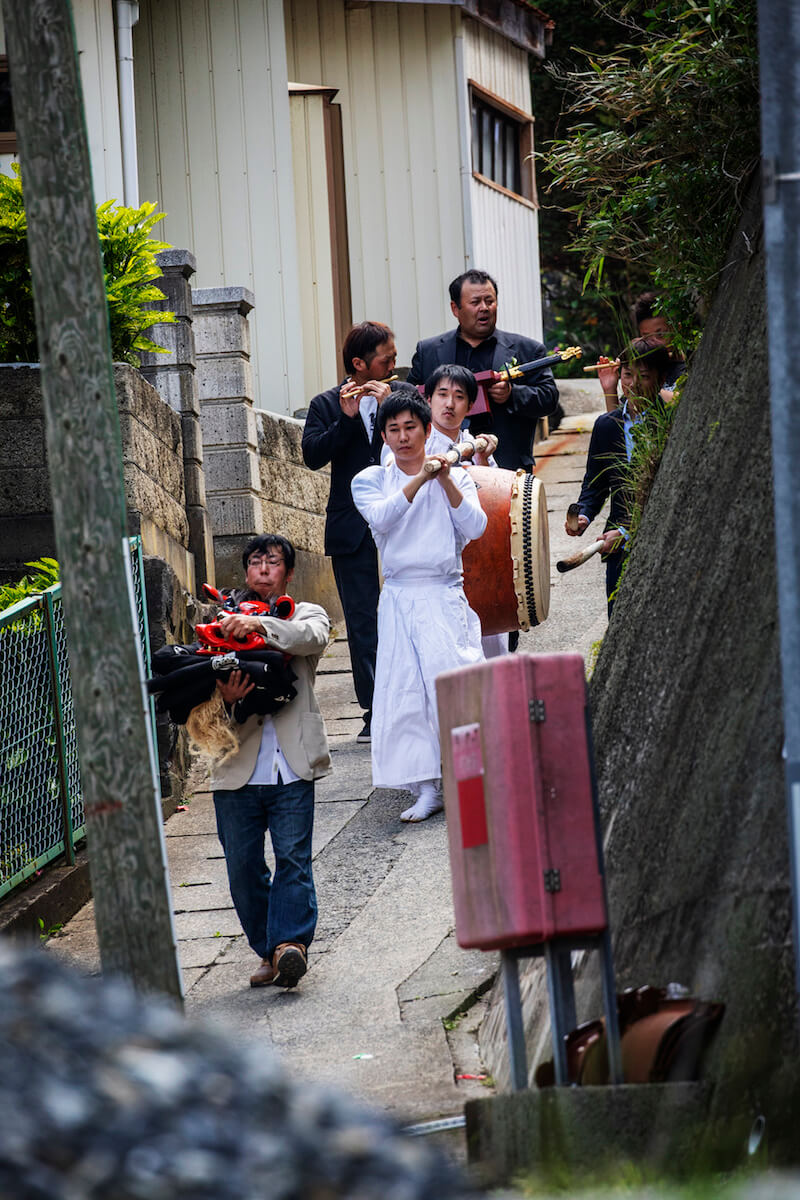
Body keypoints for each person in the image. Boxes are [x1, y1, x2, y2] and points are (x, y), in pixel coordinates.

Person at [351, 386, 486, 823]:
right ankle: (427, 788)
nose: (404, 436)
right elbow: (382, 518)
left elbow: (477, 527)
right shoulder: (370, 479)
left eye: (412, 427)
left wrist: (445, 477)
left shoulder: (457, 475)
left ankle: (468, 780)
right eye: (394, 429)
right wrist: (422, 477)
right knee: (406, 692)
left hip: (444, 592)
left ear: (428, 430)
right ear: (384, 436)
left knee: (453, 686)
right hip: (399, 595)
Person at [210, 534, 331, 989]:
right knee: (242, 867)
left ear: (288, 573)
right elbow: (196, 694)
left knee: (293, 859)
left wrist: (259, 628)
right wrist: (224, 698)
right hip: (235, 765)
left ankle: (291, 946)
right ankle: (272, 949)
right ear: (245, 571)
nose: (263, 568)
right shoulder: (218, 621)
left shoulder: (305, 614)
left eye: (273, 561)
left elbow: (310, 638)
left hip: (292, 762)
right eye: (256, 561)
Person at [301, 322, 397, 743]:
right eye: (386, 360)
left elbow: (416, 442)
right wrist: (346, 420)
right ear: (359, 365)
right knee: (362, 622)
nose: (394, 364)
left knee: (403, 612)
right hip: (351, 529)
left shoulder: (403, 398)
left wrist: (393, 408)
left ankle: (406, 699)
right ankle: (375, 708)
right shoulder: (326, 403)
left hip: (399, 522)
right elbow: (312, 456)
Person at [406, 269, 559, 472]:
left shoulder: (527, 349)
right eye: (475, 302)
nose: (484, 308)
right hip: (442, 468)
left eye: (490, 301)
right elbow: (410, 401)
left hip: (508, 466)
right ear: (455, 308)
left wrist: (512, 394)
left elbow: (549, 399)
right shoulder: (429, 351)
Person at [566, 338, 672, 613]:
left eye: (644, 376)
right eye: (627, 374)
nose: (633, 384)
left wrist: (627, 532)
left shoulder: (672, 419)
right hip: (615, 546)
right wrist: (584, 515)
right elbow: (595, 482)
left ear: (661, 380)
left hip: (661, 541)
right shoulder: (607, 425)